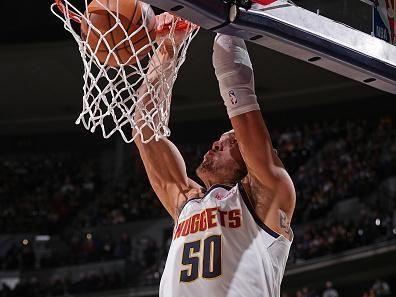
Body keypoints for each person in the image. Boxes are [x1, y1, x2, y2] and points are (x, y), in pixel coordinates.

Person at [134, 12, 296, 297]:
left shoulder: (268, 195)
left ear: (250, 160)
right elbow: (145, 130)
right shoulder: (186, 201)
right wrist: (167, 50)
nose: (217, 143)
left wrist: (224, 19)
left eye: (230, 142)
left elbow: (238, 87)